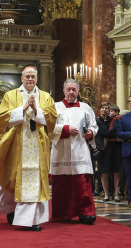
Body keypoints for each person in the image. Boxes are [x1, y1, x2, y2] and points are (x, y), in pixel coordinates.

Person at [0, 66, 57, 231]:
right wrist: (22, 109)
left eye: (33, 77)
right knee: (12, 177)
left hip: (37, 146)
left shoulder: (45, 96)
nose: (30, 79)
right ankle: (12, 211)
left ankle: (28, 220)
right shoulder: (10, 95)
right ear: (22, 78)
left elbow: (52, 120)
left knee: (33, 181)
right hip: (16, 145)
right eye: (27, 77)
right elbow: (1, 119)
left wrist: (36, 110)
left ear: (37, 78)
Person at [50, 79, 98, 224]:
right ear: (64, 91)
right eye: (69, 89)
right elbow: (48, 127)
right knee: (61, 185)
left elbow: (94, 125)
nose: (71, 92)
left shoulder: (85, 107)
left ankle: (86, 213)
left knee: (82, 184)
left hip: (80, 149)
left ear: (78, 91)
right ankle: (62, 213)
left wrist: (91, 132)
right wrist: (65, 129)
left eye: (74, 89)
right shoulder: (54, 107)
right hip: (61, 150)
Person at [96, 103, 122, 202]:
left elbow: (116, 130)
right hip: (104, 148)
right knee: (104, 171)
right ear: (100, 109)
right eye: (102, 108)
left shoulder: (113, 120)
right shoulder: (97, 121)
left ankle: (116, 194)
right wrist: (110, 135)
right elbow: (101, 133)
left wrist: (108, 135)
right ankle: (106, 193)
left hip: (115, 147)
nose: (105, 110)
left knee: (117, 171)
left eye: (107, 108)